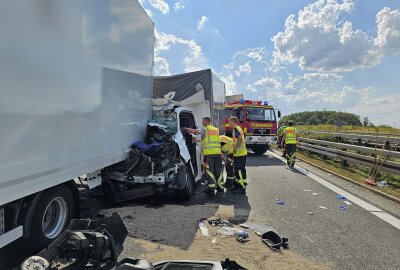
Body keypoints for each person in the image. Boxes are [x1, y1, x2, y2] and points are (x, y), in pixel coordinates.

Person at [184, 117, 223, 194]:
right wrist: (197, 139)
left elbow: (195, 131)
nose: (202, 123)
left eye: (202, 121)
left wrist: (185, 129)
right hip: (217, 153)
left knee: (209, 171)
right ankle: (220, 187)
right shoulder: (215, 130)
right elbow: (207, 139)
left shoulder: (205, 129)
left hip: (209, 155)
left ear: (205, 121)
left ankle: (211, 189)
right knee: (218, 170)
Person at [228, 116, 248, 194]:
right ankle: (238, 186)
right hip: (240, 154)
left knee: (239, 171)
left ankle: (241, 188)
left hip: (240, 154)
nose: (229, 123)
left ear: (233, 122)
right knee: (238, 170)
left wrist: (235, 148)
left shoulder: (236, 129)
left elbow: (240, 139)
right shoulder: (238, 129)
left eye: (229, 122)